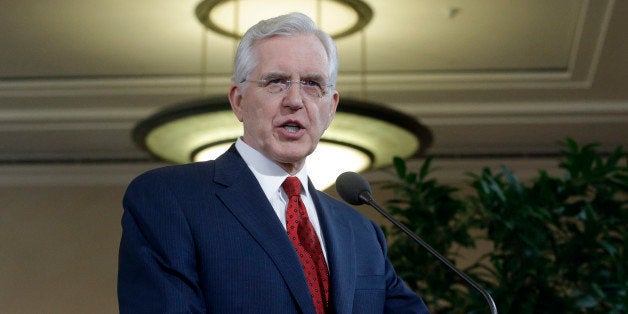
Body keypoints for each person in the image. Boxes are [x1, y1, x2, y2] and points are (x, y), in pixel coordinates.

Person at [117, 12, 429, 314]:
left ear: (330, 108)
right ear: (239, 101)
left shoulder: (362, 232)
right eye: (276, 81)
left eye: (312, 84)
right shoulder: (170, 198)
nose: (295, 99)